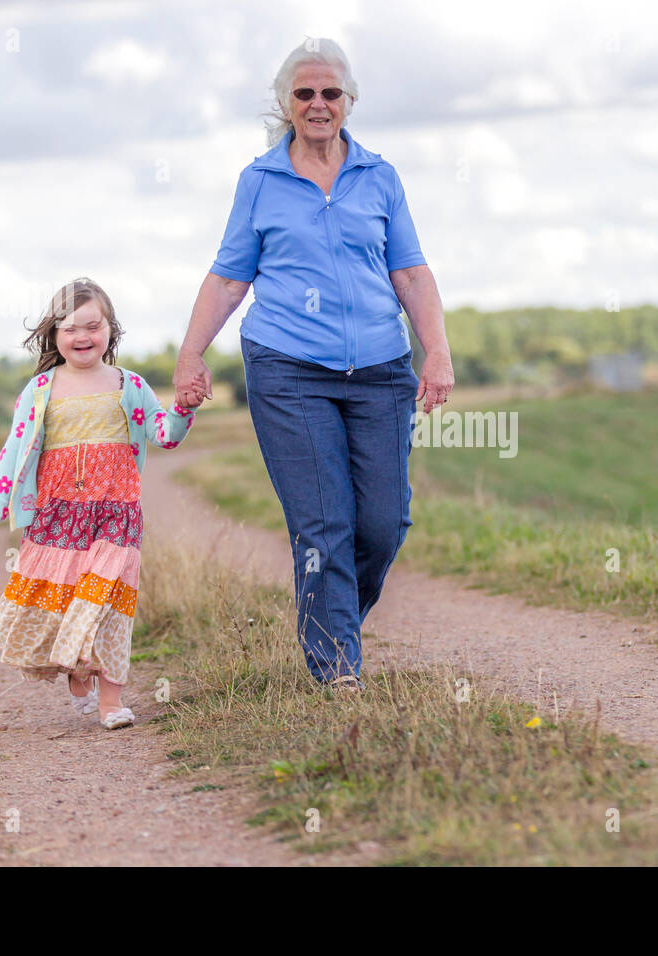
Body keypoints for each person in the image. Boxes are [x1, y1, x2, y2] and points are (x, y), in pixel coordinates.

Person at [173, 38, 454, 693]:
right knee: (324, 525)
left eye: (331, 93)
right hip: (288, 369)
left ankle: (329, 624)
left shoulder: (379, 177)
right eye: (305, 94)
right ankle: (337, 669)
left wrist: (436, 350)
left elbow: (410, 272)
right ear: (285, 104)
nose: (319, 104)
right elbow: (227, 280)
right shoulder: (260, 181)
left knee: (383, 526)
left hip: (382, 371)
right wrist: (192, 352)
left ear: (349, 101)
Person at [0, 278, 198, 728]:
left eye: (93, 326)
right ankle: (79, 669)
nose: (82, 337)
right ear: (54, 335)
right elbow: (13, 454)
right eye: (70, 329)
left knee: (113, 603)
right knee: (66, 603)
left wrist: (183, 410)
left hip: (117, 513)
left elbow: (164, 436)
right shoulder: (39, 390)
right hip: (57, 517)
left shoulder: (128, 384)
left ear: (111, 329)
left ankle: (111, 703)